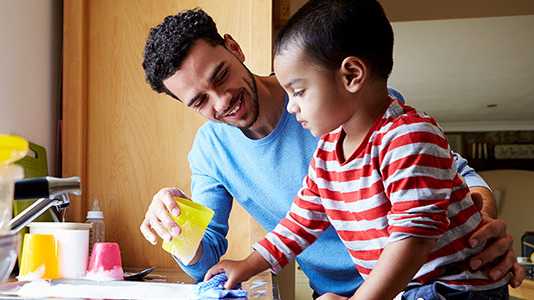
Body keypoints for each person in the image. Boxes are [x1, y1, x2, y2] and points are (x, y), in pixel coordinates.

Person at [140, 6, 524, 298]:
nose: (221, 101)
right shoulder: (310, 146)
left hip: (437, 284)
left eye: (221, 76)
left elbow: (432, 199)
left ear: (234, 48)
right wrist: (178, 229)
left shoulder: (373, 116)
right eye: (199, 101)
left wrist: (480, 227)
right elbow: (298, 222)